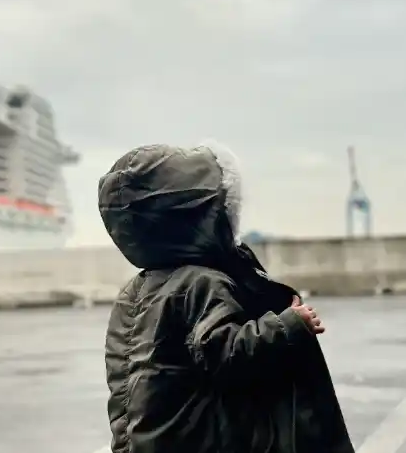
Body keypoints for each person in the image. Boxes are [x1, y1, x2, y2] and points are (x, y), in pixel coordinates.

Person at [100, 143, 354, 453]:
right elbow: (222, 349)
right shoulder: (201, 282)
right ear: (201, 219)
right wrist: (288, 326)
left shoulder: (133, 292)